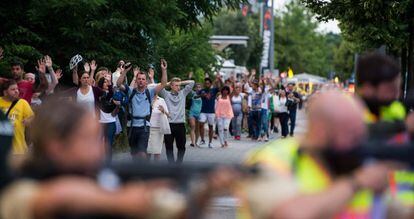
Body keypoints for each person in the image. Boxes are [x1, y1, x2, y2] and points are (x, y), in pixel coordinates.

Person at [0, 100, 187, 219]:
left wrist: (204, 190)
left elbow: (173, 210)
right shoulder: (20, 185)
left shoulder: (99, 178)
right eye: (88, 139)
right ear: (56, 145)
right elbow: (58, 197)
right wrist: (117, 200)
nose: (100, 148)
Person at [240, 91, 409, 219]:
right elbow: (288, 214)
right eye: (352, 136)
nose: (359, 144)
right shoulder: (272, 160)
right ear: (321, 132)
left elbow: (393, 210)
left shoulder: (350, 164)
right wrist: (356, 183)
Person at [117, 59, 167, 159]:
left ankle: (143, 171)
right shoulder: (131, 91)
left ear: (146, 81)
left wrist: (164, 70)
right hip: (131, 126)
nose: (141, 81)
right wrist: (125, 72)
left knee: (142, 153)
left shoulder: (150, 92)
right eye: (139, 79)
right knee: (134, 155)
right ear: (136, 80)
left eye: (143, 79)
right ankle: (137, 172)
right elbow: (118, 84)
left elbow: (163, 84)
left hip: (144, 127)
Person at [160, 76, 195, 163]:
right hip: (169, 124)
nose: (178, 87)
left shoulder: (183, 93)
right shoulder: (166, 94)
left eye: (179, 86)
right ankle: (171, 165)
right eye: (176, 85)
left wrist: (180, 82)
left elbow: (192, 82)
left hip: (180, 124)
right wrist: (168, 83)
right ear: (171, 86)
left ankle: (179, 164)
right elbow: (158, 86)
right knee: (169, 147)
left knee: (182, 147)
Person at [0, 80, 34, 158]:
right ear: (5, 92)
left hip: (18, 150)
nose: (16, 91)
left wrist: (29, 121)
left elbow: (33, 117)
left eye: (17, 89)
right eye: (13, 89)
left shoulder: (23, 103)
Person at [96, 77, 120, 160]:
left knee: (108, 144)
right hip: (99, 122)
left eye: (108, 82)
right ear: (101, 84)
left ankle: (108, 164)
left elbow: (116, 112)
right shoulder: (98, 94)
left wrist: (117, 105)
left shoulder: (113, 94)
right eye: (105, 82)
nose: (106, 83)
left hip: (110, 122)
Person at [199, 76, 223, 148]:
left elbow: (221, 88)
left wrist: (219, 80)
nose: (207, 84)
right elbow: (196, 96)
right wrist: (201, 95)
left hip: (211, 112)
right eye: (205, 83)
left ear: (210, 84)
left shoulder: (214, 90)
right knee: (201, 124)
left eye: (208, 83)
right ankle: (202, 140)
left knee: (211, 127)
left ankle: (210, 142)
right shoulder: (202, 90)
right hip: (203, 111)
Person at [147, 94, 169, 161]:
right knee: (148, 151)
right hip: (147, 128)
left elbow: (168, 114)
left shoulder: (161, 100)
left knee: (157, 152)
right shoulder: (146, 98)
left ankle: (156, 170)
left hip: (158, 129)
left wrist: (163, 110)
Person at [188, 82, 203, 147]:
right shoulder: (193, 93)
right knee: (193, 126)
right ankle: (193, 142)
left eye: (199, 87)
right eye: (197, 87)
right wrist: (189, 77)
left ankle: (196, 142)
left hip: (199, 113)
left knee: (198, 128)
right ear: (195, 88)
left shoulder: (203, 95)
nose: (198, 88)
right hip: (192, 112)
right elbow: (188, 88)